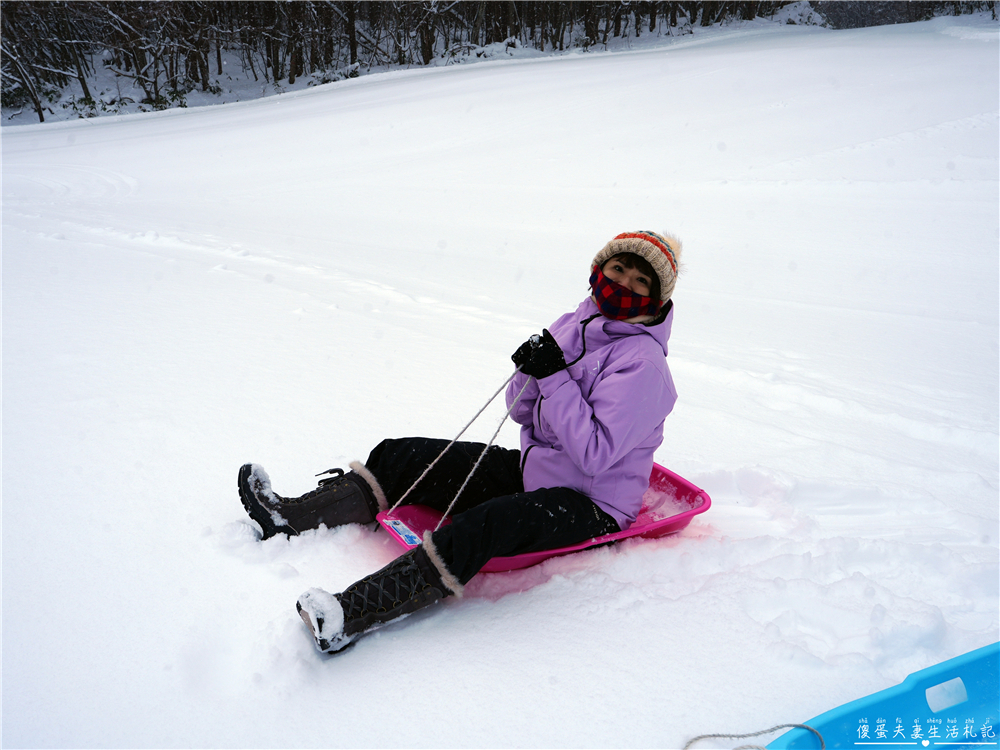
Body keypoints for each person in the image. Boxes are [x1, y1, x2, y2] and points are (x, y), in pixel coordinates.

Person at [238, 230, 683, 654]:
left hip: (593, 504)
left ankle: (350, 614)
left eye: (640, 279)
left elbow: (593, 455)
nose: (624, 282)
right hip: (538, 470)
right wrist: (531, 371)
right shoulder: (575, 322)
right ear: (599, 268)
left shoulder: (644, 366)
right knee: (403, 454)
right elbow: (521, 411)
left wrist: (555, 377)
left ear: (656, 298)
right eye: (620, 267)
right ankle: (289, 517)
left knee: (487, 523)